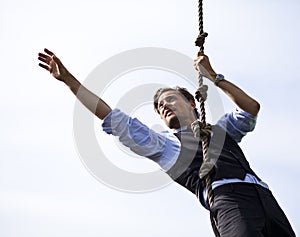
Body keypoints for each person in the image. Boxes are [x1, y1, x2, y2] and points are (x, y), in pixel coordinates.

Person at [38, 48, 295, 237]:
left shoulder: (221, 131)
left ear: (192, 102)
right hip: (229, 201)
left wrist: (214, 76)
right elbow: (110, 116)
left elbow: (251, 109)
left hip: (266, 198)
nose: (164, 107)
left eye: (170, 100)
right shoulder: (164, 147)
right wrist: (69, 80)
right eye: (160, 108)